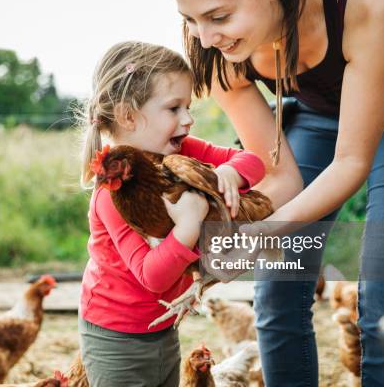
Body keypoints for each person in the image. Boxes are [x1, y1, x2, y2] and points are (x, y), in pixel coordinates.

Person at [170, 0, 384, 386]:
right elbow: (281, 178)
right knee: (278, 279)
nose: (207, 37)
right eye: (191, 19)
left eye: (219, 17)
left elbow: (351, 162)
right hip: (320, 110)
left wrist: (263, 232)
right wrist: (237, 238)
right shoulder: (210, 50)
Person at [76, 41, 266, 387]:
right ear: (127, 115)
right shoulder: (114, 192)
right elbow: (153, 277)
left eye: (189, 107)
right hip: (115, 336)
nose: (188, 119)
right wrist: (189, 224)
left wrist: (231, 173)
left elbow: (254, 160)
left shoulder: (184, 150)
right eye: (174, 108)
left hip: (162, 326)